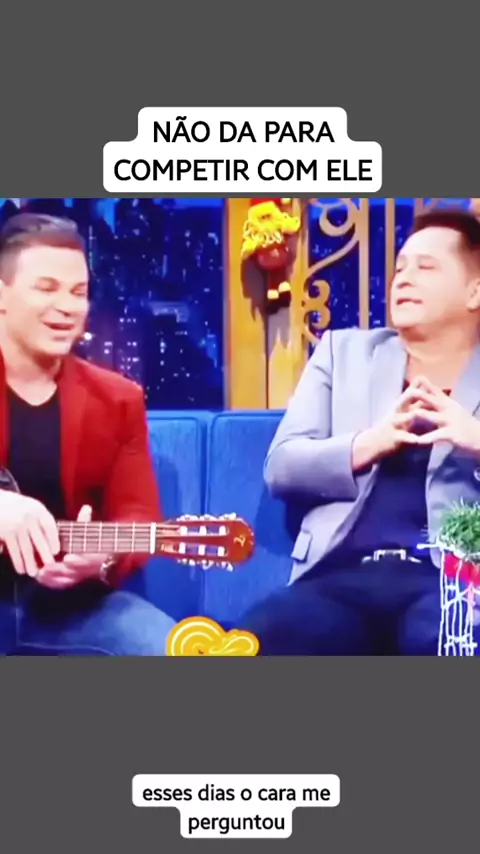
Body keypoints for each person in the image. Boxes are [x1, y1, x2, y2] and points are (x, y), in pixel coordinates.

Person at [239, 207, 480, 655]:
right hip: (340, 575)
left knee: (450, 640)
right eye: (400, 268)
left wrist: (474, 437)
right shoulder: (343, 353)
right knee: (263, 637)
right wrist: (371, 442)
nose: (404, 279)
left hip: (455, 584)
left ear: (475, 291)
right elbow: (281, 467)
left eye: (426, 268)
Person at [0, 212, 175, 655]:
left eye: (78, 292)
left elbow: (138, 516)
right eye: (46, 288)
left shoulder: (118, 399)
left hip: (71, 607)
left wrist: (102, 559)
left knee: (174, 651)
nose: (67, 306)